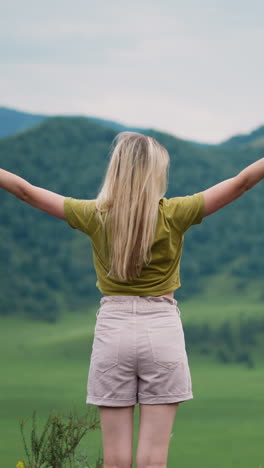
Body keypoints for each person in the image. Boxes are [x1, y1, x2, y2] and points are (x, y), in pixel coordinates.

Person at [0, 131, 263, 468]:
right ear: (156, 174)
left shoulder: (94, 215)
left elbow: (26, 191)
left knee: (116, 459)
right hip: (162, 330)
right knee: (153, 459)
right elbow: (241, 182)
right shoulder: (175, 213)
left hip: (113, 331)